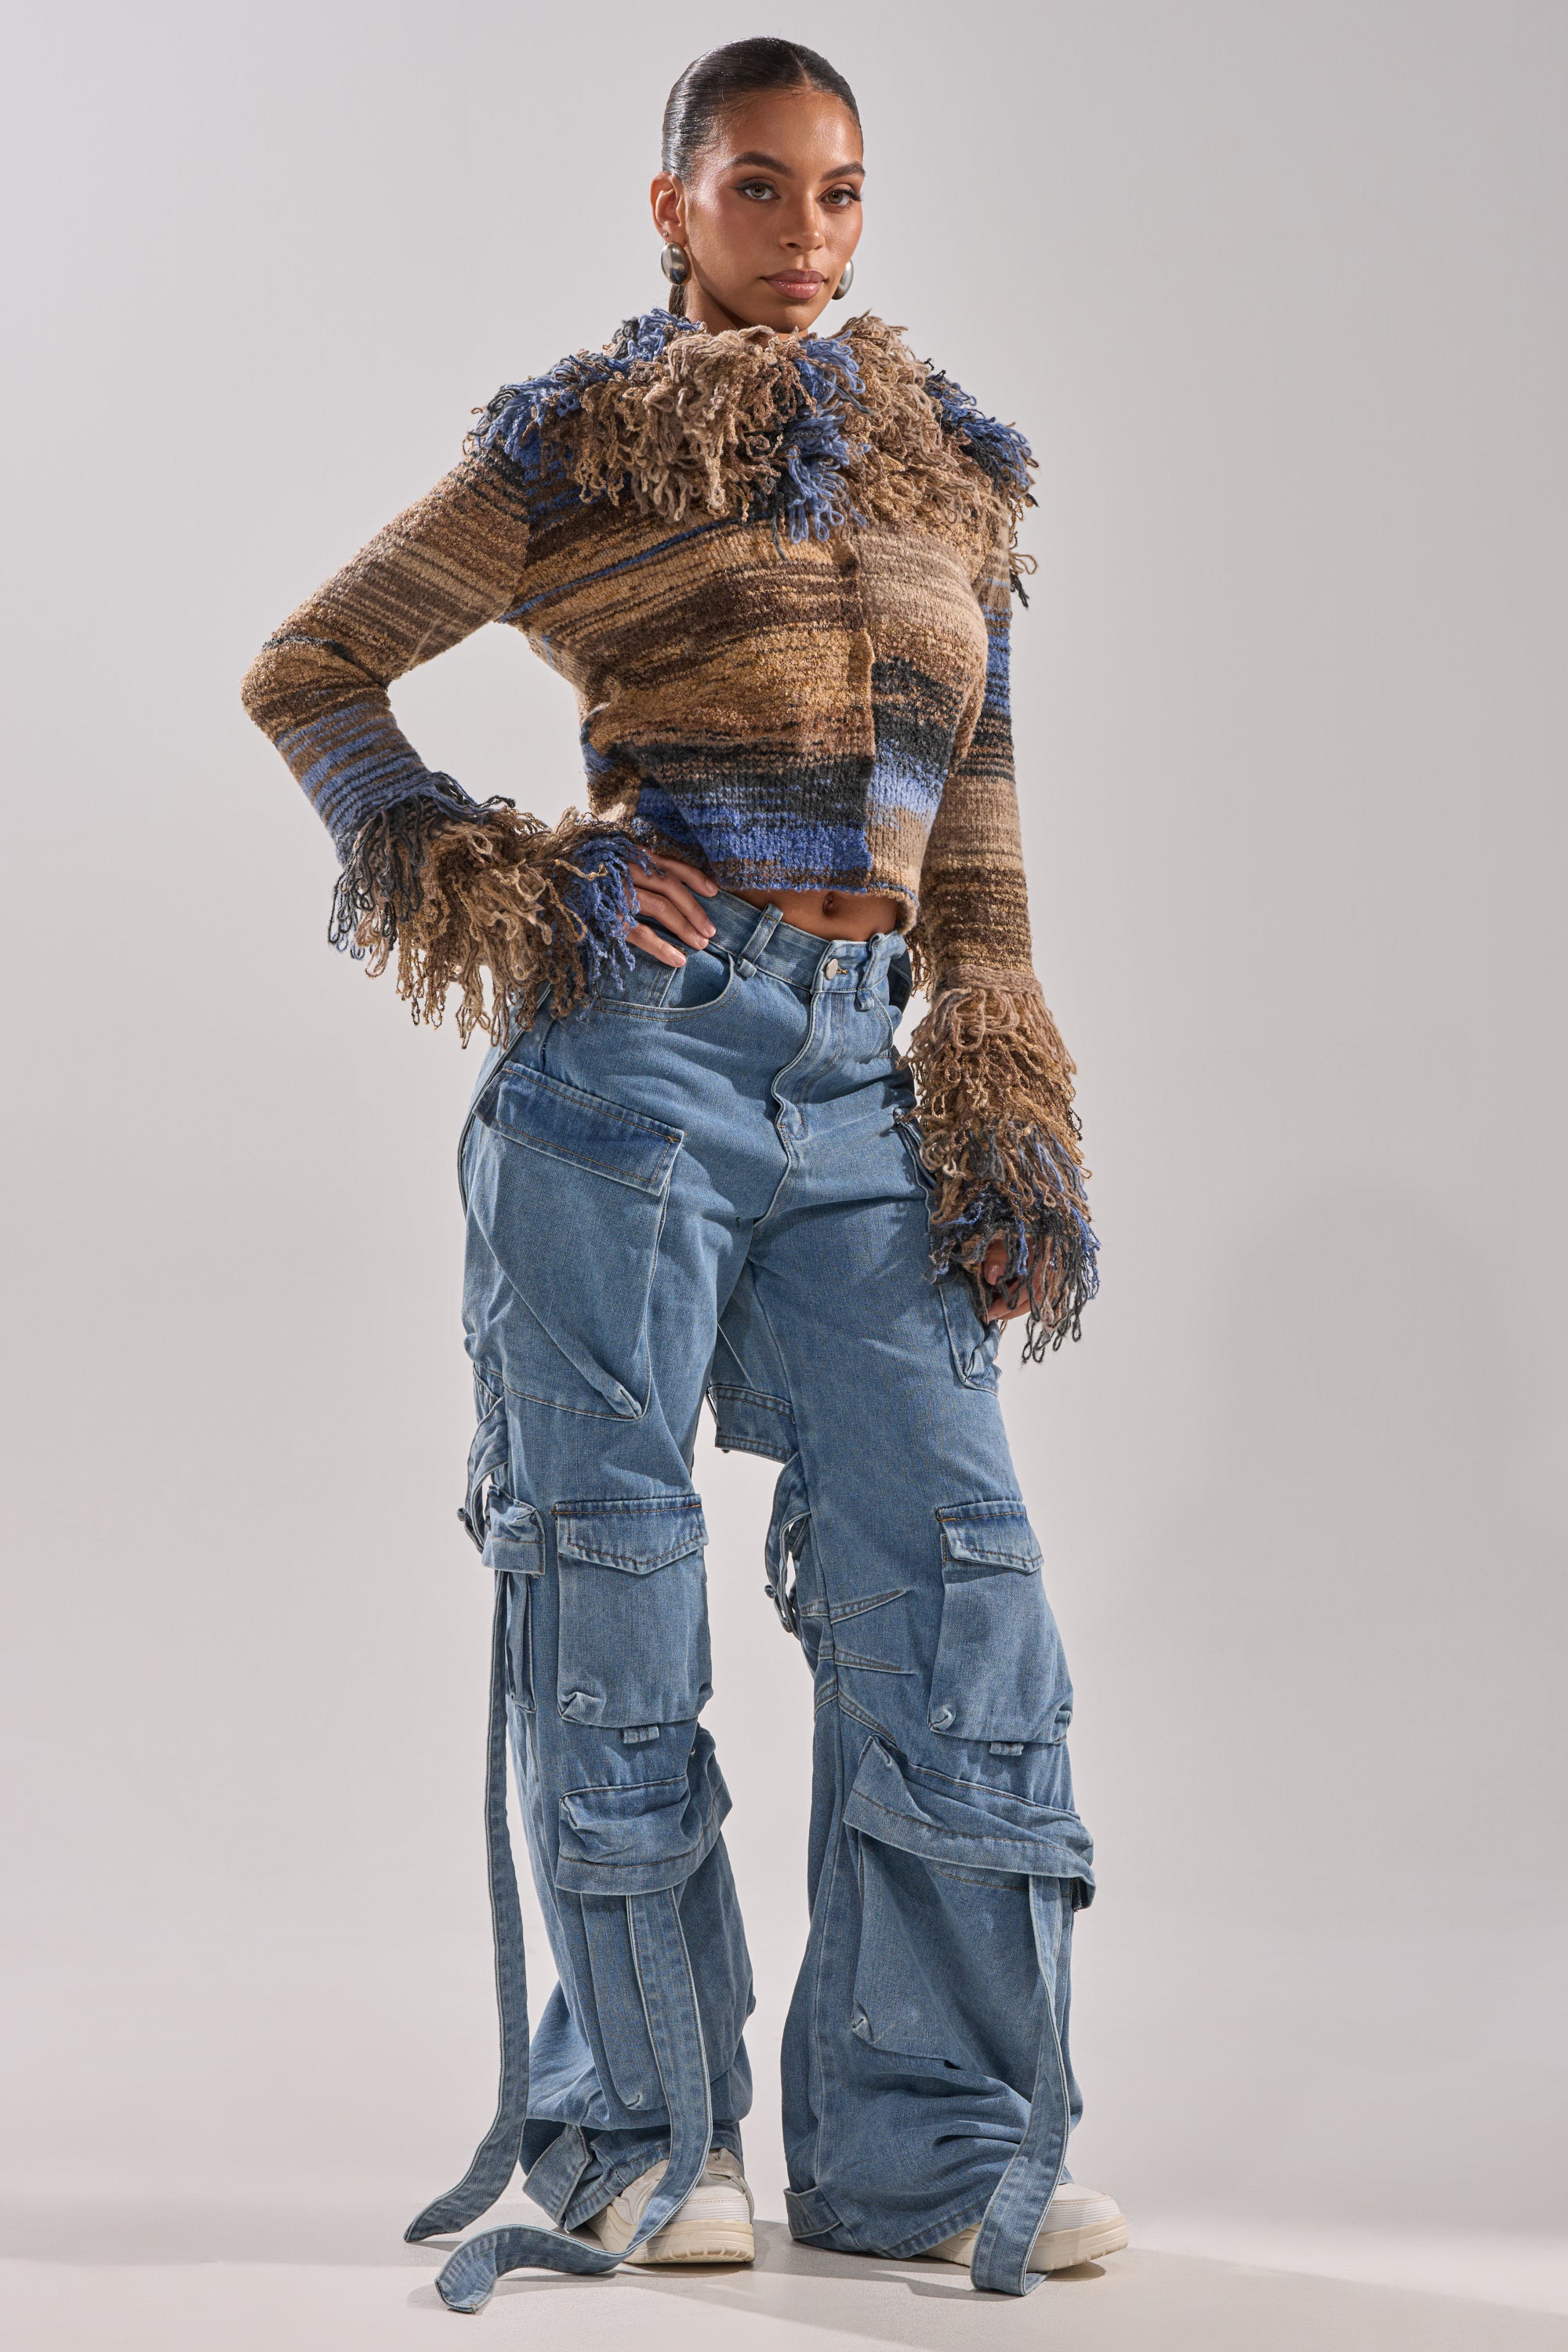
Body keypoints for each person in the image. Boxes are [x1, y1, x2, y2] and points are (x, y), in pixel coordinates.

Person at [242, 34, 1121, 2311]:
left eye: (839, 193)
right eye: (757, 189)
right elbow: (315, 670)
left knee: (958, 1581)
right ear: (670, 205)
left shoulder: (951, 481)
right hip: (627, 1072)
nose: (805, 237)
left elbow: (983, 836)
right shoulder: (575, 445)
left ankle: (922, 2146)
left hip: (862, 1089)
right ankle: (640, 2130)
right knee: (611, 1582)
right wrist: (505, 875)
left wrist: (998, 1079)